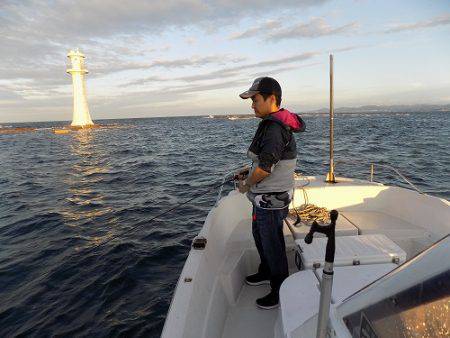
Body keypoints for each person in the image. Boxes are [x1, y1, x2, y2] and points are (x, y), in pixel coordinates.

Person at [236, 77, 305, 309]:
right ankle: (266, 271)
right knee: (260, 237)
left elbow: (266, 168)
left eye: (255, 99)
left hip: (270, 200)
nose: (252, 104)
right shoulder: (271, 124)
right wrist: (248, 172)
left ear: (271, 99)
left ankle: (279, 289)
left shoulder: (274, 128)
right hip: (263, 199)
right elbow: (266, 161)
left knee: (272, 243)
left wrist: (246, 184)